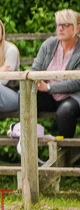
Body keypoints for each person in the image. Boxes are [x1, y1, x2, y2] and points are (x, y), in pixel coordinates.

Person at [30, 9, 80, 139]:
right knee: (26, 96)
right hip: (50, 95)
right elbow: (35, 69)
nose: (61, 28)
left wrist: (48, 87)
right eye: (58, 24)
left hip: (73, 95)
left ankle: (66, 150)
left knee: (65, 111)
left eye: (66, 25)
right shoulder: (49, 44)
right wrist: (35, 79)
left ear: (77, 28)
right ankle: (26, 138)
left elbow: (77, 82)